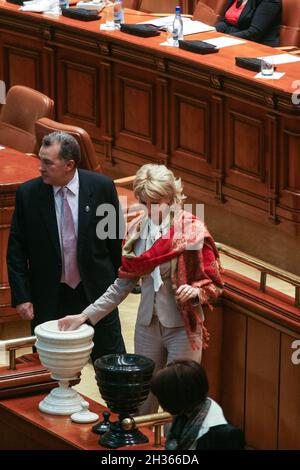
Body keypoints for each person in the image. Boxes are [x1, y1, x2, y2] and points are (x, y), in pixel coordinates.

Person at [58, 164, 223, 414]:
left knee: (180, 400)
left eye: (156, 202)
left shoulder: (191, 231)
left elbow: (214, 284)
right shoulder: (137, 231)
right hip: (147, 325)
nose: (149, 209)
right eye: (144, 202)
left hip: (182, 325)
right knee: (142, 399)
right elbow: (121, 285)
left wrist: (195, 292)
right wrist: (84, 316)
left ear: (171, 197)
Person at [6, 131, 125, 362]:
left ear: (69, 165)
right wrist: (22, 296)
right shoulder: (28, 194)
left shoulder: (102, 188)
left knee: (111, 365)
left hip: (96, 293)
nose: (40, 167)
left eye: (47, 162)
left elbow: (114, 242)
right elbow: (16, 250)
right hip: (50, 296)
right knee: (49, 367)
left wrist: (116, 288)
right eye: (41, 159)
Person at [150, 359, 245, 450]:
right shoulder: (185, 414)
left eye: (163, 397)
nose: (160, 403)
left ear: (180, 397)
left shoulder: (226, 435)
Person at [215, 0, 282, 47]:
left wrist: (225, 38)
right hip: (232, 40)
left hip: (256, 47)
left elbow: (254, 32)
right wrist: (213, 31)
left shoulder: (271, 1)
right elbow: (226, 21)